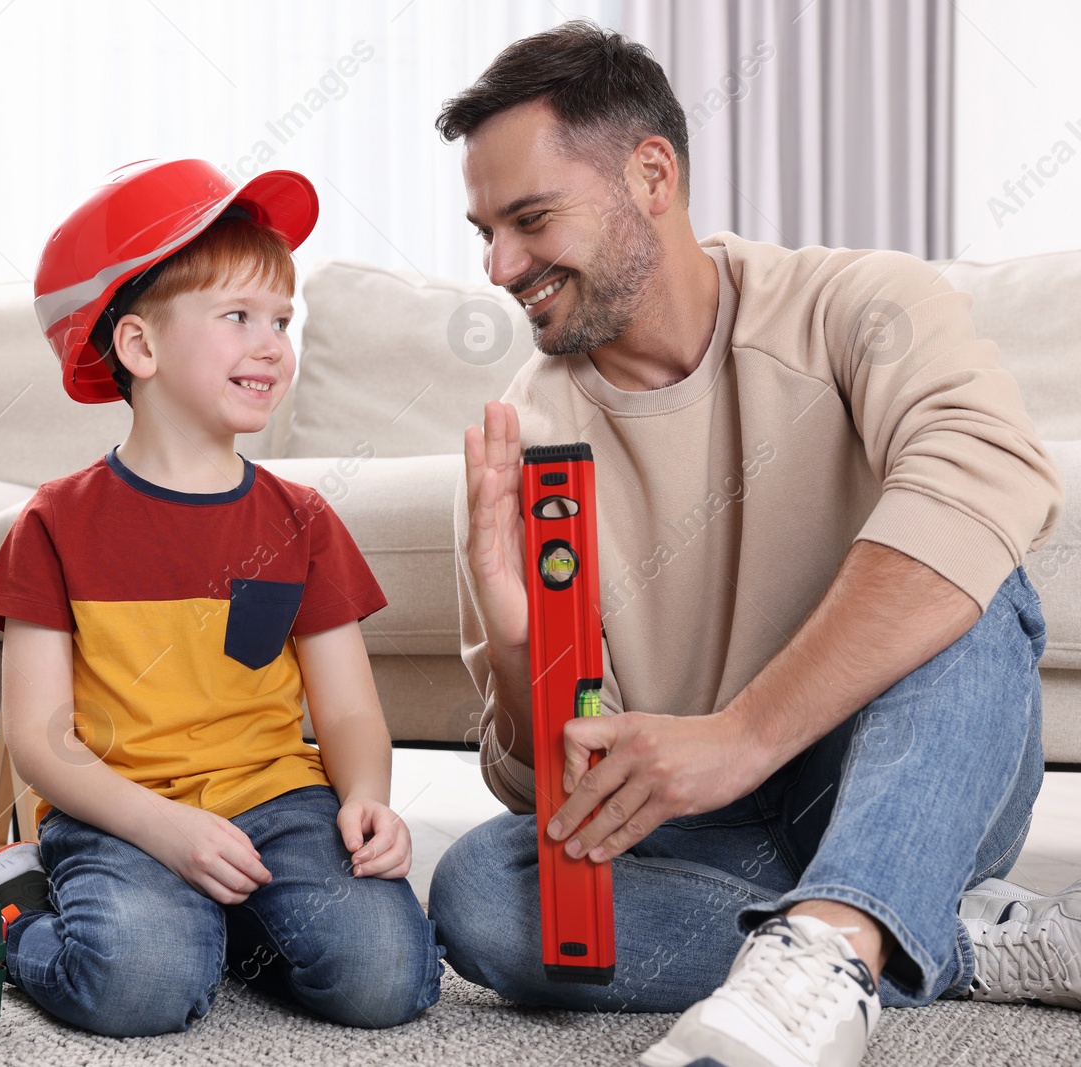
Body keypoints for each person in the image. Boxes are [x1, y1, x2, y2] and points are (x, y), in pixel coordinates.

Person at [424, 21, 1077, 1067]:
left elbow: (983, 480)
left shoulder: (858, 305)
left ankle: (828, 948)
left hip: (904, 773)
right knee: (482, 892)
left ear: (650, 174)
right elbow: (548, 793)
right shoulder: (530, 433)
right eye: (484, 231)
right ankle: (927, 937)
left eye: (529, 218)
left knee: (970, 576)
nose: (501, 266)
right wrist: (516, 650)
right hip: (698, 830)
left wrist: (742, 733)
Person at [0, 158, 443, 1038]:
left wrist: (367, 795)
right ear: (141, 347)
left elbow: (346, 713)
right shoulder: (53, 523)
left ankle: (232, 931)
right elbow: (40, 737)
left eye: (281, 320)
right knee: (137, 982)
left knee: (387, 974)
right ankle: (17, 915)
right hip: (123, 807)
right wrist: (164, 829)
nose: (273, 344)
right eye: (238, 318)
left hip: (280, 805)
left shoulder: (304, 520)